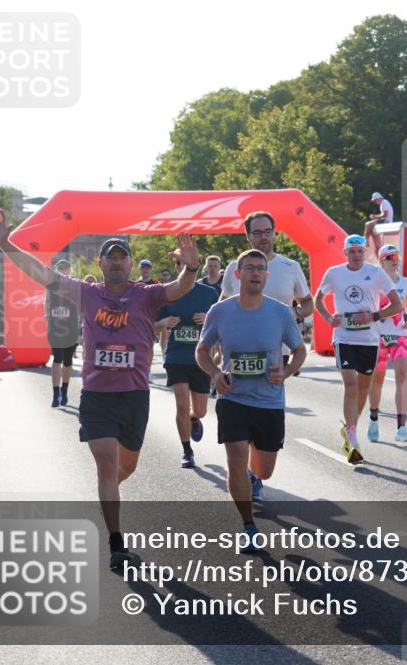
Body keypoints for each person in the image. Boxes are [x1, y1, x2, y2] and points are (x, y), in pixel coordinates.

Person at [0, 207, 201, 569]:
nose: (117, 263)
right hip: (97, 396)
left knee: (126, 468)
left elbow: (181, 287)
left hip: (134, 396)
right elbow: (39, 272)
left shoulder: (147, 296)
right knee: (106, 468)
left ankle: (108, 494)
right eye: (110, 258)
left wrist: (191, 267)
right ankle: (117, 543)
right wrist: (5, 243)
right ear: (101, 264)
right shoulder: (84, 293)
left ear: (131, 264)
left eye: (122, 258)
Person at [197, 249, 306, 549]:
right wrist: (216, 375)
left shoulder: (281, 312)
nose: (255, 273)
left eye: (260, 268)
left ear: (266, 276)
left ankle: (253, 476)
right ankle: (248, 527)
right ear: (237, 274)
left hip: (269, 401)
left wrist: (284, 373)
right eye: (249, 268)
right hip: (233, 399)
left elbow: (300, 351)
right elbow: (202, 351)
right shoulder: (219, 312)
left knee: (264, 469)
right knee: (234, 461)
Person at [221, 211, 313, 497]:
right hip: (238, 355)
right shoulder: (235, 268)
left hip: (277, 354)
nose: (263, 236)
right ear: (247, 235)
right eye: (257, 232)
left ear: (275, 233)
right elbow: (222, 304)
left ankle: (254, 470)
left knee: (262, 410)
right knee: (242, 409)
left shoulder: (289, 266)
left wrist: (291, 315)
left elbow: (308, 304)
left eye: (267, 231)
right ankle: (246, 469)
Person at [315, 234, 402, 464]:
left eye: (359, 251)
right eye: (351, 251)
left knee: (363, 388)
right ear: (345, 253)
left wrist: (372, 316)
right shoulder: (334, 273)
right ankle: (353, 439)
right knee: (351, 385)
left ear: (365, 253)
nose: (355, 255)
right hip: (343, 337)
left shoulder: (376, 273)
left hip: (369, 339)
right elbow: (318, 300)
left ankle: (350, 427)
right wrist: (328, 317)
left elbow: (397, 305)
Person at [155, 253, 220, 468]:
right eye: (181, 265)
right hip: (176, 356)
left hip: (201, 358)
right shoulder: (167, 294)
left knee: (199, 410)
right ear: (177, 268)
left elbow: (221, 322)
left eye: (189, 265)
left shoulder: (210, 293)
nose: (185, 269)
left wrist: (207, 318)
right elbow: (151, 324)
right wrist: (165, 321)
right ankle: (187, 450)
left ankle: (194, 419)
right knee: (182, 404)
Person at [366, 244, 407, 443]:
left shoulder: (405, 282)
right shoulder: (374, 282)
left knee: (402, 377)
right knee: (377, 379)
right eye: (389, 257)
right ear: (381, 261)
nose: (394, 259)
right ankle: (373, 419)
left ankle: (402, 428)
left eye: (396, 255)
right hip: (378, 336)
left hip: (399, 335)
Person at [45, 259, 81, 407]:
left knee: (67, 361)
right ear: (57, 269)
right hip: (55, 328)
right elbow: (47, 303)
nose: (63, 269)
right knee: (56, 359)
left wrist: (80, 325)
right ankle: (55, 394)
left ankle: (64, 391)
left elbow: (80, 304)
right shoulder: (51, 286)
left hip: (71, 327)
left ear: (70, 269)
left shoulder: (75, 284)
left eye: (66, 267)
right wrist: (48, 317)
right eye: (61, 267)